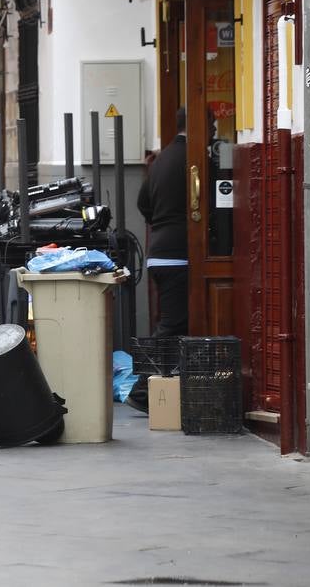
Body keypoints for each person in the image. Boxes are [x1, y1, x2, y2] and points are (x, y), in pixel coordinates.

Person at [127, 106, 191, 413]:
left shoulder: (160, 159)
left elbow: (143, 203)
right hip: (178, 255)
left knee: (172, 323)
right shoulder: (194, 159)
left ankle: (156, 387)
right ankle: (141, 392)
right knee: (172, 326)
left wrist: (161, 223)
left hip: (160, 252)